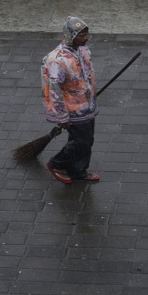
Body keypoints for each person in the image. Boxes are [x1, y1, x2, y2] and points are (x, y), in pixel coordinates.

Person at [41, 17, 101, 184]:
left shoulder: (83, 51)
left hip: (87, 106)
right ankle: (57, 164)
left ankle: (78, 170)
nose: (86, 38)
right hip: (72, 110)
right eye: (81, 35)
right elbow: (55, 91)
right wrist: (62, 117)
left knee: (86, 141)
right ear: (70, 36)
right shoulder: (57, 61)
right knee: (82, 141)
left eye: (86, 34)